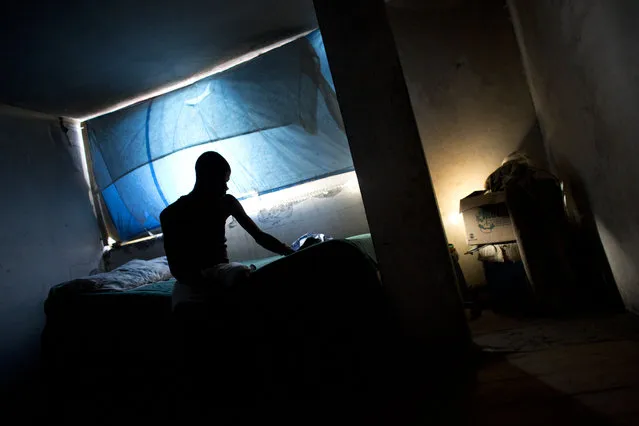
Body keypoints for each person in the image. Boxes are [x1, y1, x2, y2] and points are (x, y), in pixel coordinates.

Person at [160, 151, 294, 308]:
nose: (226, 187)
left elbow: (259, 236)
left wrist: (288, 252)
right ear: (205, 179)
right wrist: (207, 286)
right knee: (184, 308)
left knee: (241, 274)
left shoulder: (227, 202)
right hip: (190, 278)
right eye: (222, 181)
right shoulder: (171, 214)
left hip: (221, 270)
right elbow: (176, 268)